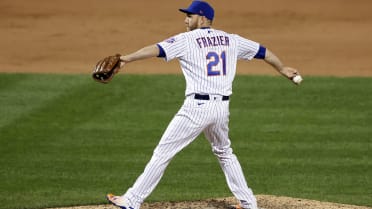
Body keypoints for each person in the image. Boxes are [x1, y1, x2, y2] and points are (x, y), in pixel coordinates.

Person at [106, 1, 301, 209]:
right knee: (225, 152)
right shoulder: (231, 39)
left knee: (163, 152)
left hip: (196, 109)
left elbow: (155, 49)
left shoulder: (186, 40)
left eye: (189, 16)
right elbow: (263, 52)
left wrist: (126, 59)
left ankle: (132, 200)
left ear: (202, 17)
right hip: (221, 109)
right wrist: (282, 68)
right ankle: (249, 203)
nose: (185, 20)